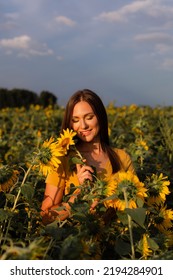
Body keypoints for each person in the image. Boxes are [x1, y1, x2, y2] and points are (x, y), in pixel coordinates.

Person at [41, 89, 135, 225]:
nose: (83, 125)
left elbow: (134, 207)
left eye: (89, 117)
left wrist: (111, 205)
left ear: (100, 117)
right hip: (75, 242)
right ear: (70, 123)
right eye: (76, 120)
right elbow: (45, 218)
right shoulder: (61, 160)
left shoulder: (122, 157)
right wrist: (78, 195)